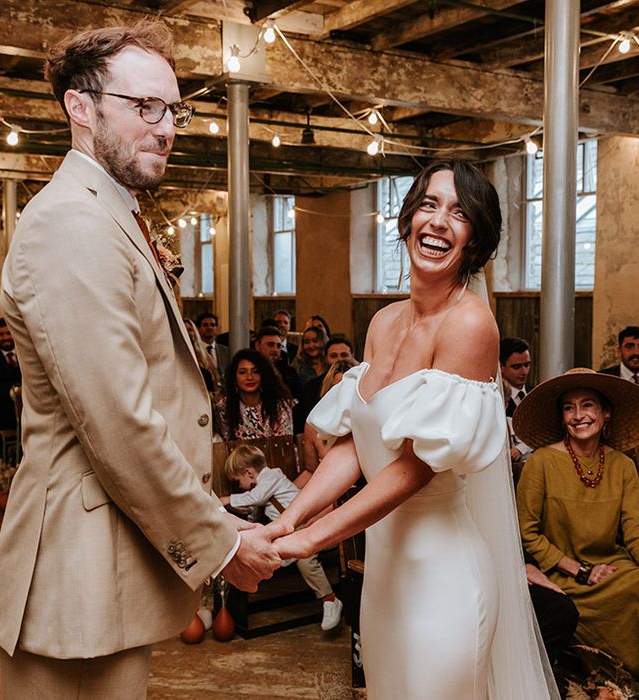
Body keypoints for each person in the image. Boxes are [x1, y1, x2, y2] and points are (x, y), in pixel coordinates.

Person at [0, 21, 282, 698]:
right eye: (144, 107)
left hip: (110, 557)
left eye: (173, 109)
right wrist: (222, 542)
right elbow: (117, 420)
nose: (167, 127)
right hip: (75, 565)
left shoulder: (110, 211)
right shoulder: (73, 223)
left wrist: (213, 516)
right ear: (81, 107)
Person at [269, 161, 557, 699]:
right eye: (429, 204)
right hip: (383, 572)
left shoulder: (470, 324)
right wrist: (286, 522)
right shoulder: (383, 321)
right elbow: (357, 440)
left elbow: (414, 467)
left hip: (442, 575)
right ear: (407, 220)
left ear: (476, 241)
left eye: (460, 213)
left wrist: (310, 539)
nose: (439, 221)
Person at [514, 367, 639, 677]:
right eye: (569, 407)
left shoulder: (624, 465)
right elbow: (526, 533)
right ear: (561, 418)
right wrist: (579, 570)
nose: (578, 415)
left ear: (606, 413)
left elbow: (635, 530)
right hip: (559, 572)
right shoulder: (541, 462)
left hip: (610, 568)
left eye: (588, 405)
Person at [220, 445, 344, 631]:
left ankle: (330, 600)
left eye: (238, 481)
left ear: (249, 473)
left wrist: (228, 500)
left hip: (307, 526)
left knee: (306, 561)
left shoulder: (271, 477)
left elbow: (256, 498)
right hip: (292, 531)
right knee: (271, 555)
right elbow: (254, 513)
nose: (239, 486)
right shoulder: (259, 489)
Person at [215, 349, 294, 441]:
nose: (250, 377)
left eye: (255, 371)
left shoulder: (279, 406)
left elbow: (285, 445)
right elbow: (225, 445)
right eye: (243, 372)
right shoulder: (224, 408)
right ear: (234, 377)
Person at [301, 359, 359, 478]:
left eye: (348, 390)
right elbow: (311, 472)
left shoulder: (367, 422)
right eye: (337, 388)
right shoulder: (313, 425)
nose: (343, 395)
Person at [500, 336, 533, 473]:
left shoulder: (537, 393)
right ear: (501, 367)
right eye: (516, 367)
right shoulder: (499, 401)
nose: (524, 372)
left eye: (527, 365)